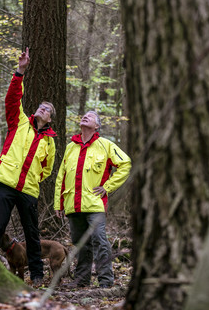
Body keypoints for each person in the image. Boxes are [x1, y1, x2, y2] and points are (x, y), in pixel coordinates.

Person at [0, 47, 56, 287]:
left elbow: (46, 169)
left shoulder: (50, 142)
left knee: (32, 235)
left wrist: (34, 179)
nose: (42, 109)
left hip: (28, 190)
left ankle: (36, 276)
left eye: (47, 110)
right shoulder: (19, 122)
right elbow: (12, 98)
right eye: (41, 106)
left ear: (49, 119)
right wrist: (20, 71)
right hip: (5, 182)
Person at [54, 111, 131, 288]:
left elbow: (125, 164)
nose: (85, 116)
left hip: (95, 204)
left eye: (90, 116)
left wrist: (107, 187)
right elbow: (61, 176)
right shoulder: (70, 147)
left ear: (97, 126)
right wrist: (58, 203)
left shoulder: (105, 145)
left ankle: (106, 281)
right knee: (80, 244)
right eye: (84, 115)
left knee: (99, 240)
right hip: (73, 204)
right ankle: (82, 280)